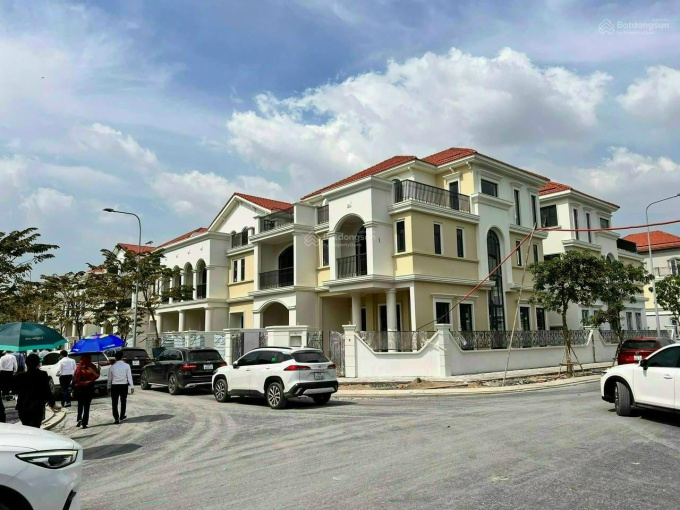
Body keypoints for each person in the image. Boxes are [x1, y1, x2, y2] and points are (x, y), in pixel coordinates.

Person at [13, 354, 57, 428]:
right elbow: (47, 390)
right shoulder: (42, 374)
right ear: (38, 363)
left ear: (26, 363)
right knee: (36, 427)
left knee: (26, 427)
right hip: (37, 406)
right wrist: (51, 402)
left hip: (23, 406)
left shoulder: (20, 376)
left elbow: (15, 390)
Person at [72, 355, 100, 429]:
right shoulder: (92, 367)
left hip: (79, 389)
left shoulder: (79, 367)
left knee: (80, 404)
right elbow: (96, 376)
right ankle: (84, 423)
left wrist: (73, 389)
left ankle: (79, 418)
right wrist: (97, 370)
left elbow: (75, 379)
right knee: (87, 406)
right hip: (89, 388)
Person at [107, 351, 134, 424]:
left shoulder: (112, 367)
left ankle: (116, 418)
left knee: (114, 402)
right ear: (122, 357)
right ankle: (122, 415)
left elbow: (109, 378)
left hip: (115, 385)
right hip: (124, 385)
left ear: (115, 358)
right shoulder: (127, 366)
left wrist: (108, 387)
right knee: (123, 401)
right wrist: (132, 386)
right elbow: (129, 376)